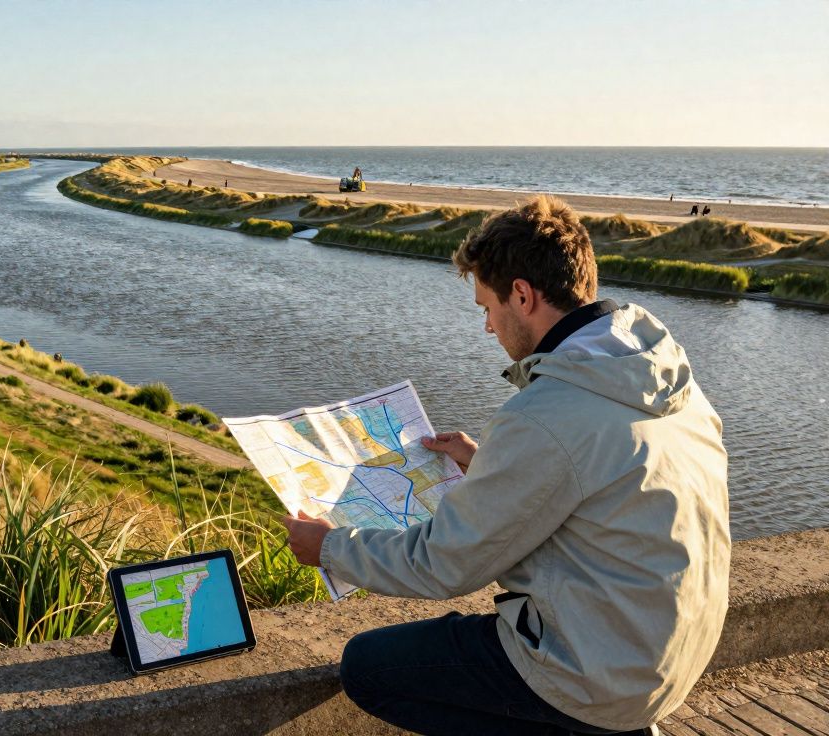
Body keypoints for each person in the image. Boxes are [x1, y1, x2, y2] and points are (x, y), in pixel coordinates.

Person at [282, 195, 729, 736]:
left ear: (521, 295)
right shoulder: (660, 372)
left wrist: (328, 548)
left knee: (369, 667)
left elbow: (444, 565)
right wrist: (489, 463)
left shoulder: (546, 414)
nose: (488, 328)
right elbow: (605, 480)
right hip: (672, 656)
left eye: (485, 308)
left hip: (598, 676)